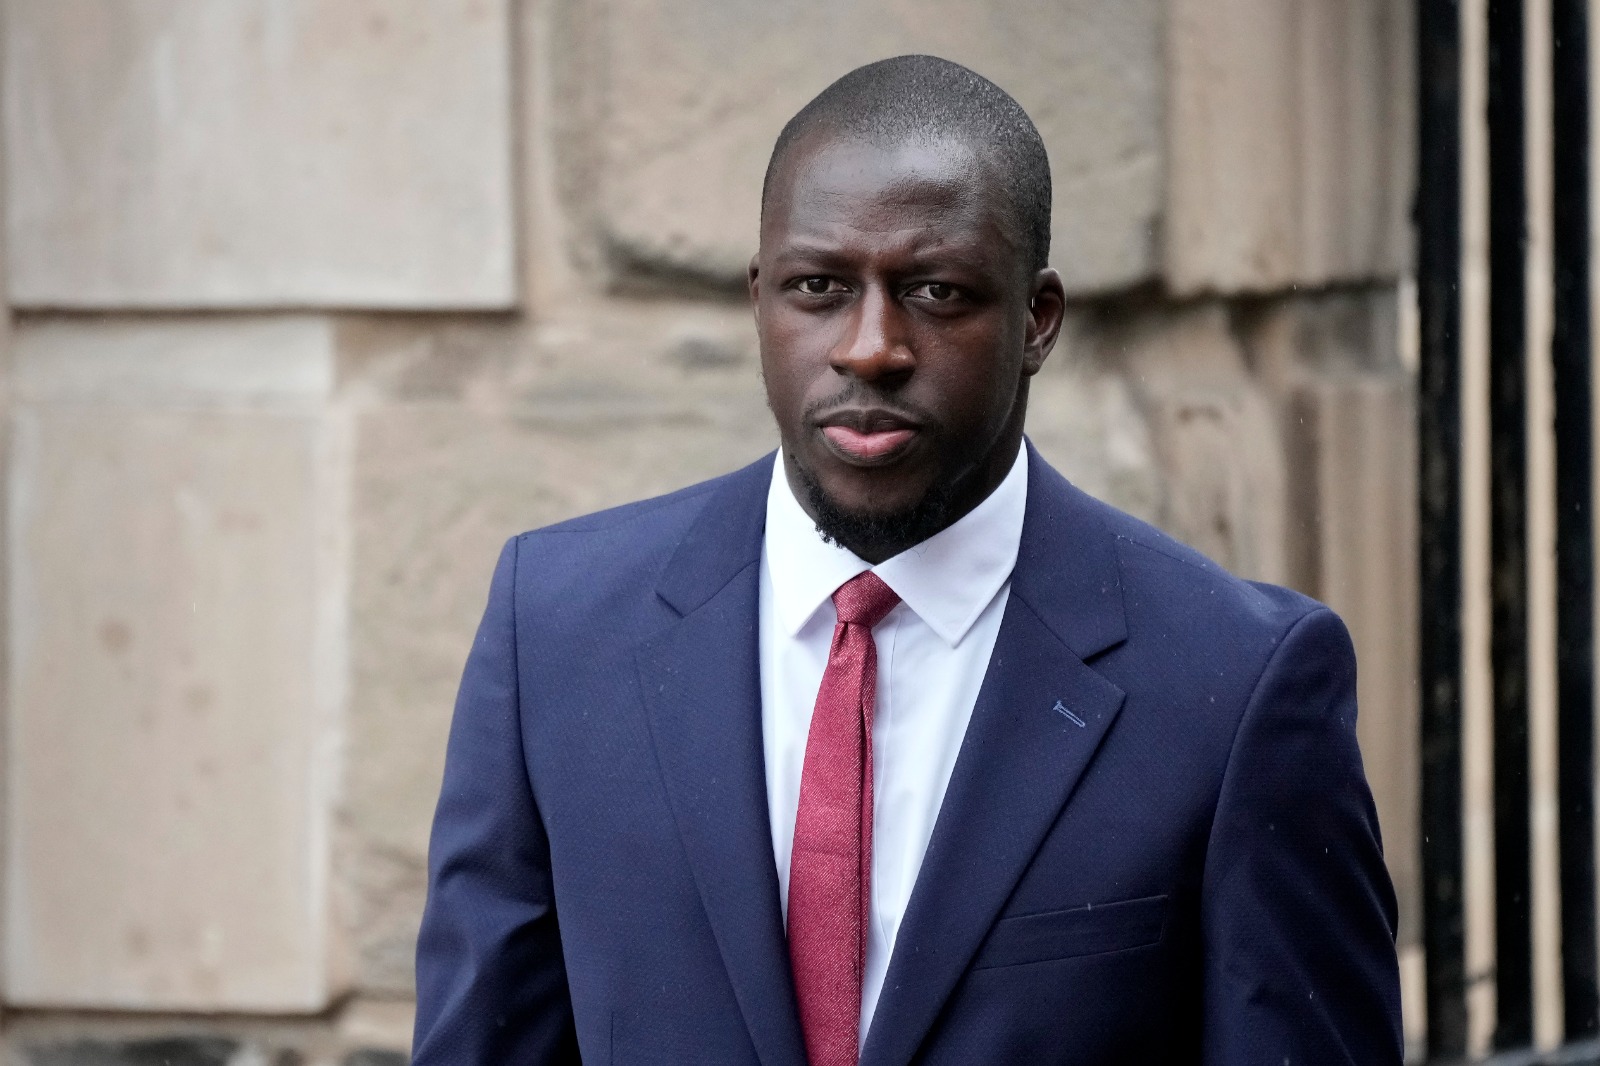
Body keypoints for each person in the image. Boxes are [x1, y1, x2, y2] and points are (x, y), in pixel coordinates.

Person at [411, 55, 1403, 1065]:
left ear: (1036, 319)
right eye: (818, 287)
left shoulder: (1232, 684)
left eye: (935, 291)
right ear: (760, 300)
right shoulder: (561, 630)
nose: (871, 347)